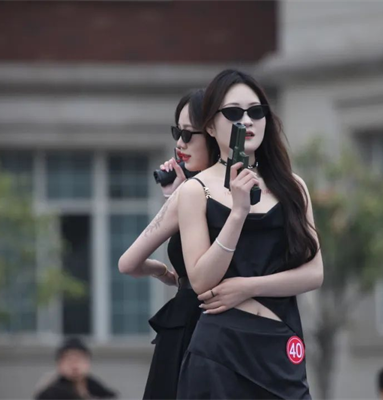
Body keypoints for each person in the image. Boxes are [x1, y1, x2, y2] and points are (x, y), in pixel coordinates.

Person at [176, 69, 324, 400]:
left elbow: (314, 273)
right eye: (233, 113)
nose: (247, 121)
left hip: (279, 341)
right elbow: (201, 280)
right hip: (220, 348)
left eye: (256, 111)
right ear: (210, 126)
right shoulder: (196, 190)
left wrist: (248, 287)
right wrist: (238, 212)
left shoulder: (292, 186)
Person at [118, 89, 215, 400]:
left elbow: (128, 263)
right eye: (177, 132)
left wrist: (162, 272)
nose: (180, 144)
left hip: (197, 326)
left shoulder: (196, 193)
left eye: (188, 134)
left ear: (214, 134)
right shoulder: (241, 190)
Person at [35, 337, 117, 400]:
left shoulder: (100, 391)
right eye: (69, 360)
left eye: (79, 359)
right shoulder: (50, 395)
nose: (74, 365)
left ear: (88, 363)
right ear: (59, 364)